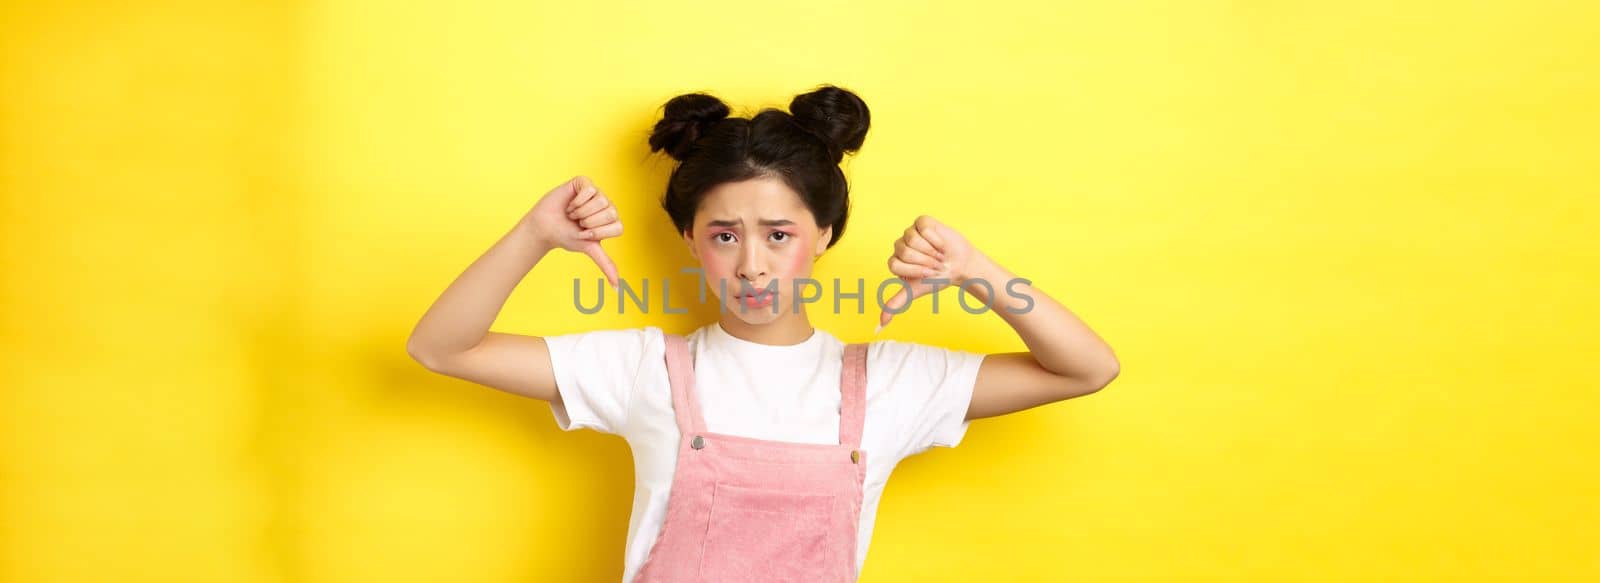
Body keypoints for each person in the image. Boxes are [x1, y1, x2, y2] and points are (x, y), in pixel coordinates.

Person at [405, 84, 1121, 582]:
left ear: (825, 233)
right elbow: (441, 346)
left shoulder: (891, 383)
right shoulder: (643, 367)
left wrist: (975, 271)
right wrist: (535, 234)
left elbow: (1086, 368)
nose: (751, 264)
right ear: (689, 238)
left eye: (779, 233)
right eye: (724, 234)